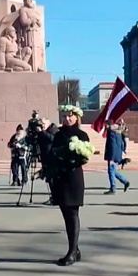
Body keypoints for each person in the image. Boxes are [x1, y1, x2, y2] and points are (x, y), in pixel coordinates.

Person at [48, 105, 91, 266]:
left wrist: (71, 158)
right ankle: (75, 249)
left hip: (73, 177)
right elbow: (51, 152)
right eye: (64, 116)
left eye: (69, 116)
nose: (66, 119)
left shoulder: (82, 135)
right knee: (66, 214)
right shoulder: (58, 134)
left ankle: (72, 252)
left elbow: (85, 157)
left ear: (76, 117)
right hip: (60, 177)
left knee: (73, 214)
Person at [104, 119, 130, 195]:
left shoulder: (111, 132)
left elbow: (112, 145)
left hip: (112, 154)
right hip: (118, 153)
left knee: (111, 171)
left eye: (105, 125)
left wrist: (111, 158)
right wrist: (124, 149)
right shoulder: (119, 131)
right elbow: (123, 142)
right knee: (112, 171)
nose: (105, 127)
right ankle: (125, 182)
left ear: (108, 125)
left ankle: (113, 188)